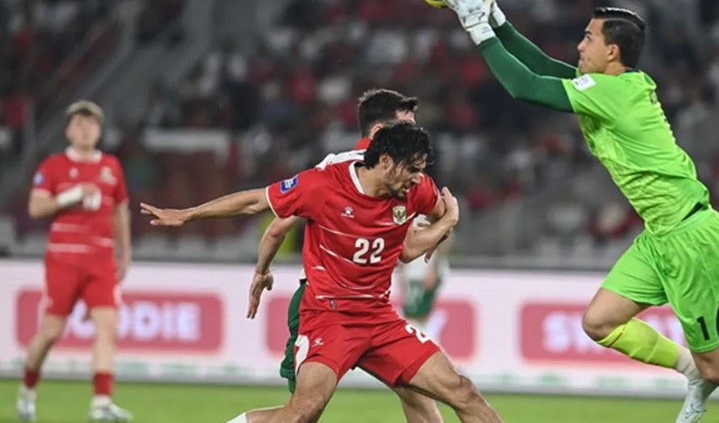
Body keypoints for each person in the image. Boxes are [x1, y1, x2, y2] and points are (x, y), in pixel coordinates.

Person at [441, 0, 719, 423]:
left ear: (612, 54)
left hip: (691, 239)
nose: (579, 45)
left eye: (588, 38)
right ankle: (691, 372)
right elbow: (543, 66)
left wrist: (477, 28)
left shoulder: (614, 92)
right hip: (660, 236)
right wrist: (498, 20)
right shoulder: (608, 86)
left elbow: (526, 86)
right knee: (599, 322)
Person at [140, 123, 503, 423]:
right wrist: (189, 214)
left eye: (422, 170)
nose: (418, 179)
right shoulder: (323, 185)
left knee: (462, 392)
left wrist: (445, 227)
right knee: (303, 413)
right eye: (413, 168)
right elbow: (255, 201)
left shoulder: (416, 190)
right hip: (328, 317)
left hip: (379, 319)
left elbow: (435, 220)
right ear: (387, 161)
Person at [241, 88, 444, 423]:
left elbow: (409, 240)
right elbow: (279, 223)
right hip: (324, 303)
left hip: (369, 308)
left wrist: (262, 270)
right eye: (407, 125)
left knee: (417, 391)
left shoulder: (399, 177)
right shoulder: (343, 171)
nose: (416, 134)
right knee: (302, 413)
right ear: (380, 133)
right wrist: (442, 227)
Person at [18, 101, 133, 422]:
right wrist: (71, 196)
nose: (85, 129)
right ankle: (27, 390)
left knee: (107, 328)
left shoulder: (111, 166)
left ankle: (101, 403)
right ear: (69, 129)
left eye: (91, 124)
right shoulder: (53, 166)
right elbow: (36, 209)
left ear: (99, 130)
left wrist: (126, 252)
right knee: (52, 332)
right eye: (79, 123)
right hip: (64, 258)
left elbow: (120, 210)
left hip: (101, 259)